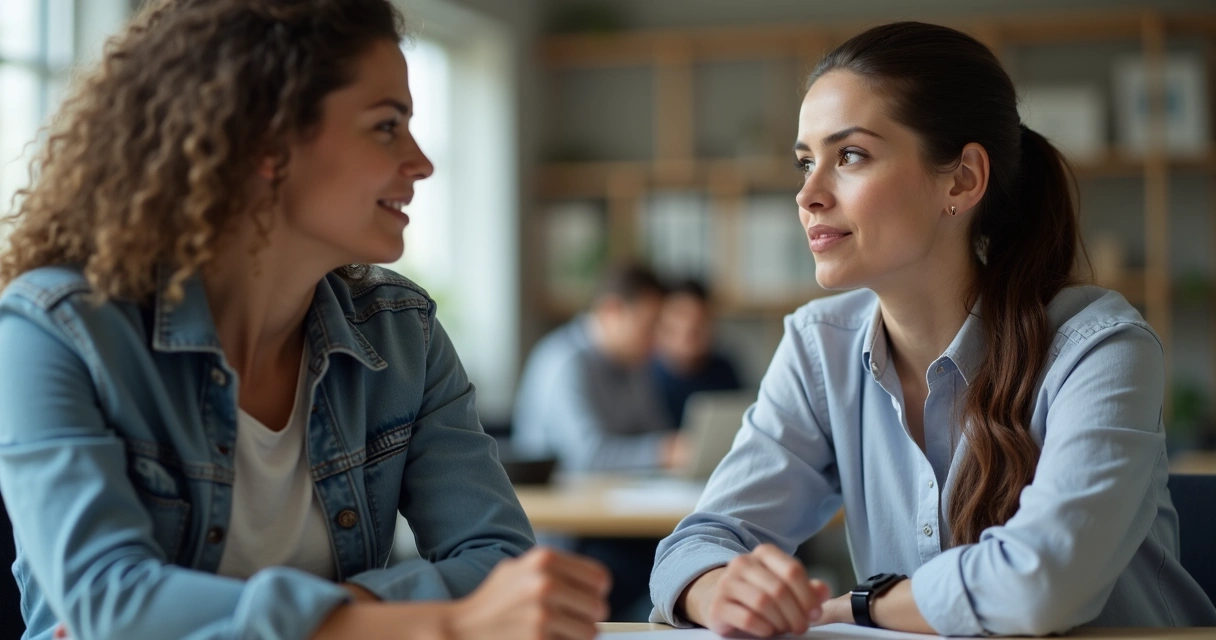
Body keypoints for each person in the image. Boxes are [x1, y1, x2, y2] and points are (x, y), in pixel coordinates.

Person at [0, 1, 610, 639]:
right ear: (265, 141)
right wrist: (431, 622)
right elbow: (112, 605)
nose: (421, 162)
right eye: (385, 127)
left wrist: (328, 619)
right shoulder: (56, 330)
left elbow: (501, 561)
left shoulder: (404, 333)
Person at [649, 21, 1216, 638]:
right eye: (805, 162)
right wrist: (717, 591)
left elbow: (1043, 583)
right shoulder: (820, 347)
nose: (807, 194)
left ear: (963, 179)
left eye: (851, 156)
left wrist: (860, 606)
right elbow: (698, 543)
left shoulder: (1098, 346)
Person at [513, 264, 685, 472]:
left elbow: (657, 431)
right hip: (557, 499)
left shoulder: (633, 363)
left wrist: (674, 449)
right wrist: (665, 452)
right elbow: (586, 457)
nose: (655, 341)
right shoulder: (564, 361)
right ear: (611, 311)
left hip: (613, 495)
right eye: (647, 327)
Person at [649, 279, 742, 426]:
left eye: (698, 325)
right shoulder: (645, 377)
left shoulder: (724, 369)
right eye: (680, 318)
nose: (688, 334)